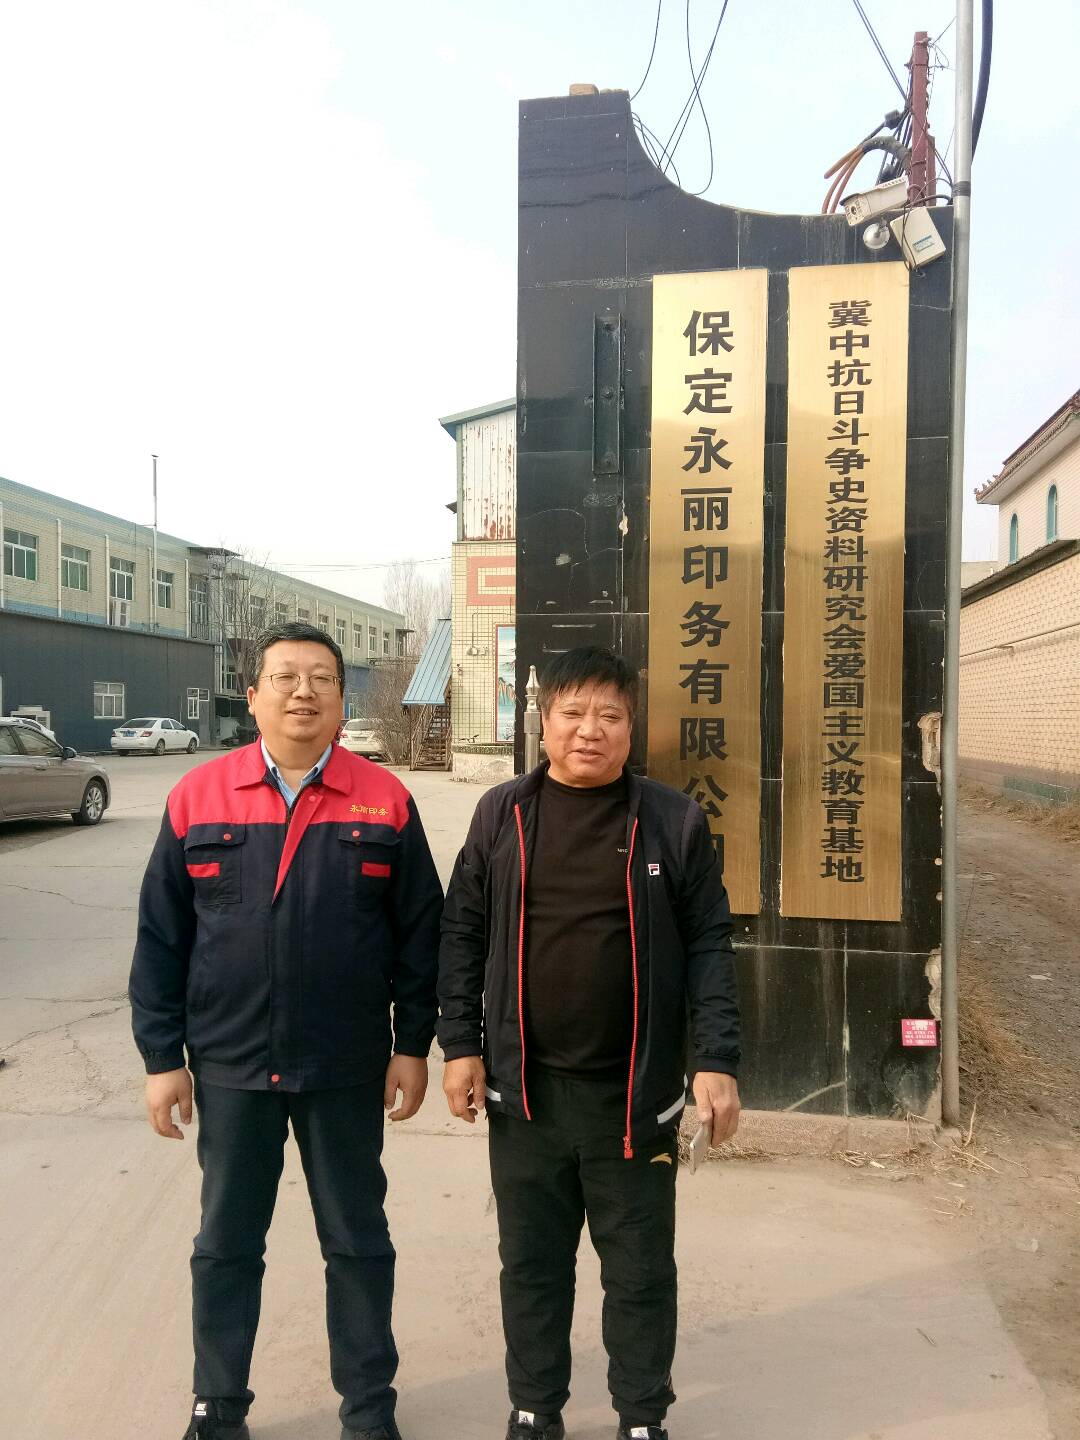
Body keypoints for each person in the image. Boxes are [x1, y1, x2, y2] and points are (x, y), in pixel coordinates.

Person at [129, 621, 443, 1440]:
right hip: (230, 1064)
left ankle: (368, 1409)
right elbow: (162, 938)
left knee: (357, 1240)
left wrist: (413, 1045)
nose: (304, 692)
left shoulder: (385, 798)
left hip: (345, 1065)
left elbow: (421, 936)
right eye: (286, 677)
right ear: (254, 694)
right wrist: (163, 1057)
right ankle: (217, 1405)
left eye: (322, 679)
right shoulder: (198, 796)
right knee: (225, 1244)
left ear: (342, 699)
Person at [438, 645, 741, 1440]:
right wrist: (459, 1045)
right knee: (531, 1267)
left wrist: (716, 1059)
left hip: (633, 1100)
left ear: (631, 728)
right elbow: (461, 932)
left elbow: (710, 942)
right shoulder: (501, 815)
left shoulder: (672, 820)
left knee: (640, 1273)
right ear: (544, 724)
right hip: (526, 1096)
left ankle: (641, 1417)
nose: (589, 730)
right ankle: (534, 1408)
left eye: (609, 715)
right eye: (572, 713)